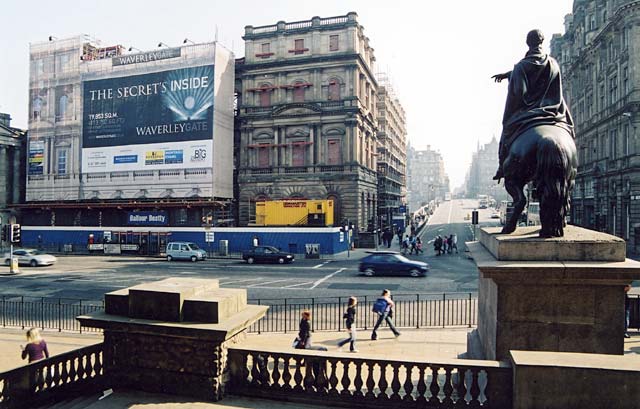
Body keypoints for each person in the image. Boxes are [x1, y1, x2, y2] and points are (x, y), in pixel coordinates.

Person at [492, 29, 575, 181]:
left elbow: (520, 93)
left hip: (530, 113)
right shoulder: (553, 63)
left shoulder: (521, 66)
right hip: (554, 112)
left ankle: (501, 167)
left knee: (507, 128)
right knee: (569, 129)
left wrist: (513, 78)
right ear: (542, 42)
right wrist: (510, 74)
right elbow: (539, 69)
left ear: (527, 43)